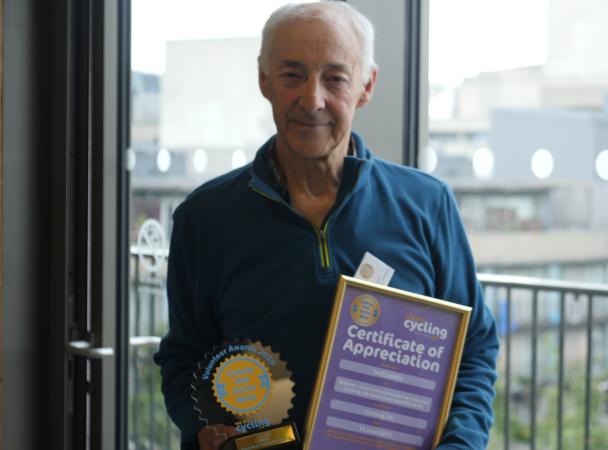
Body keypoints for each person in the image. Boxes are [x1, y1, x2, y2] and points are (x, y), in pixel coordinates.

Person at [153, 3, 499, 449]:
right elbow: (184, 358)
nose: (312, 99)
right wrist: (205, 426)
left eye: (335, 78)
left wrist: (461, 445)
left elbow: (473, 350)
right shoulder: (205, 218)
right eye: (292, 75)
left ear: (366, 86)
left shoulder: (427, 205)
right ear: (264, 80)